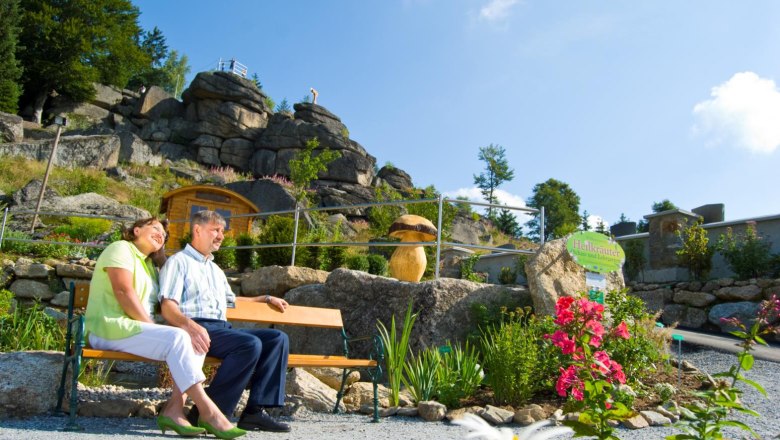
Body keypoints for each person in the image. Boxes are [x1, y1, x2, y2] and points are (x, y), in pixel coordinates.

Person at [84, 218, 246, 439]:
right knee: (182, 336)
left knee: (192, 335)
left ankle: (175, 409)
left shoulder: (149, 266)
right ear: (136, 230)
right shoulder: (120, 248)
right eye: (155, 228)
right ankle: (209, 411)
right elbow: (123, 291)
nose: (161, 234)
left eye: (164, 234)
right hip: (108, 328)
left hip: (131, 331)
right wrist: (151, 328)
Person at [159, 210, 291, 433]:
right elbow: (167, 306)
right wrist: (190, 327)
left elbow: (232, 301)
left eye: (222, 231)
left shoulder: (215, 269)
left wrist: (266, 298)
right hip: (196, 327)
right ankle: (209, 413)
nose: (221, 236)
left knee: (276, 338)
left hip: (220, 329)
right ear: (197, 230)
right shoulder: (178, 262)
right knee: (248, 344)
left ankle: (254, 413)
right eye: (215, 230)